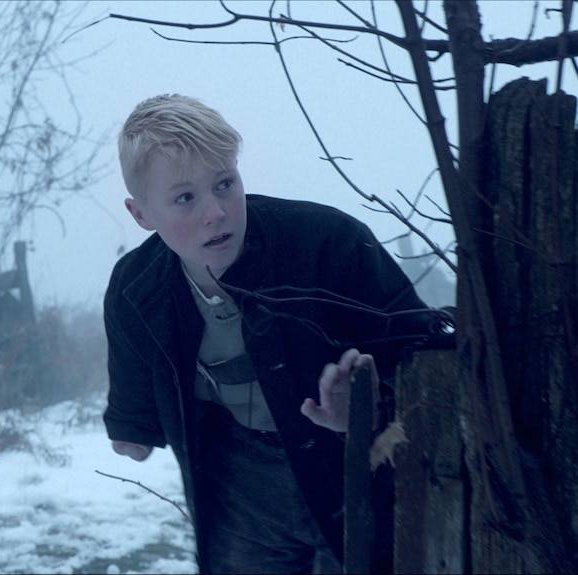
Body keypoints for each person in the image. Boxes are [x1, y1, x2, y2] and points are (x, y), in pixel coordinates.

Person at [103, 94, 442, 574]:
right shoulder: (136, 291)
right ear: (141, 215)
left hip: (355, 472)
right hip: (242, 489)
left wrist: (367, 408)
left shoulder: (329, 243)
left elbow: (421, 362)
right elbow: (135, 419)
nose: (215, 212)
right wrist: (132, 434)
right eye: (185, 198)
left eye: (225, 184)